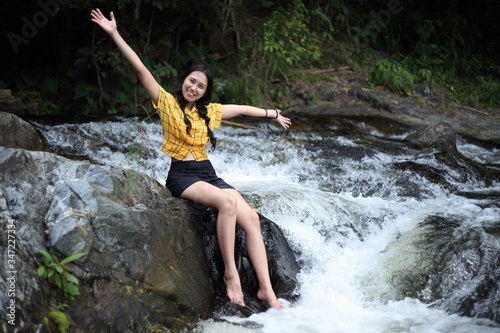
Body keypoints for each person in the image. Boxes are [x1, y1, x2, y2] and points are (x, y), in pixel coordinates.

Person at [90, 8, 292, 309]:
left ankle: (267, 291)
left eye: (201, 86)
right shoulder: (166, 104)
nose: (194, 87)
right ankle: (231, 275)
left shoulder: (208, 112)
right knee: (227, 203)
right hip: (182, 175)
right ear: (183, 79)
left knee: (250, 218)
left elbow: (243, 109)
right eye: (191, 81)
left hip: (207, 172)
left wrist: (272, 114)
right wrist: (114, 33)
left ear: (204, 92)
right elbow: (142, 69)